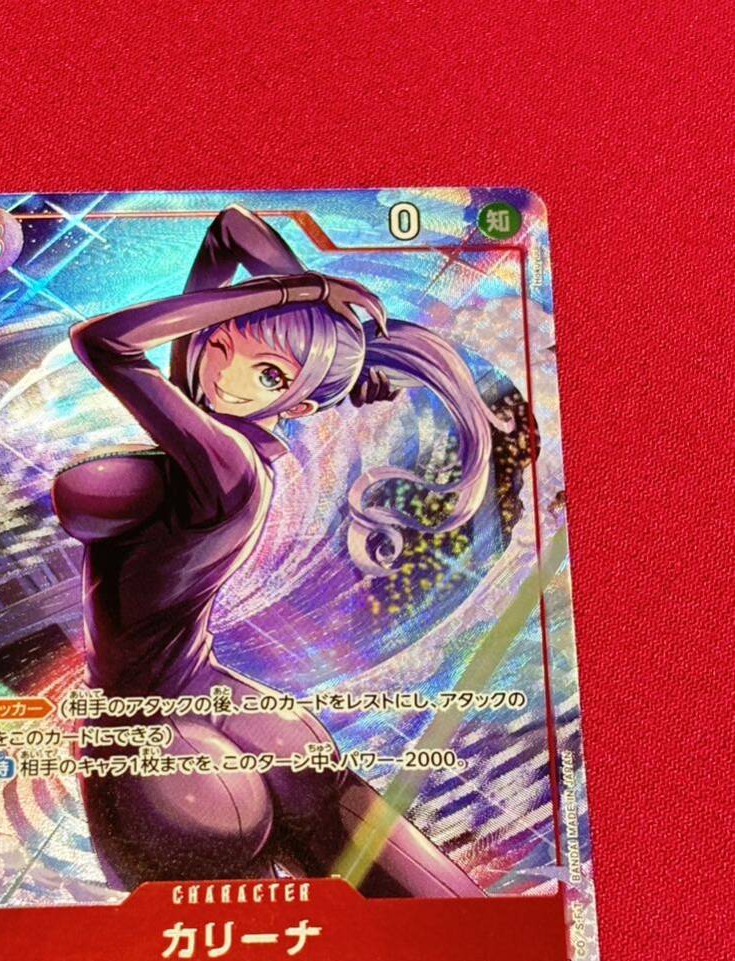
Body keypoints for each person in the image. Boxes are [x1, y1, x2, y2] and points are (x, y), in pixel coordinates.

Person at [52, 205, 513, 896]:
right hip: (216, 699)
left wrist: (298, 295)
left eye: (269, 374)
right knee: (388, 872)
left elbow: (102, 342)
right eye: (220, 343)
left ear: (297, 405)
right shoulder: (203, 415)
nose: (224, 370)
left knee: (232, 934)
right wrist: (314, 308)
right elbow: (229, 230)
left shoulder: (224, 462)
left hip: (147, 722)